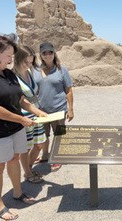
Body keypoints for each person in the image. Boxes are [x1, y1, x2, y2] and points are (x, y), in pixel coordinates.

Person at [0, 35, 47, 221]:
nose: (11, 59)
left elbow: (20, 98)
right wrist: (21, 119)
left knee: (15, 158)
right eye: (8, 55)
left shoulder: (8, 73)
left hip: (15, 127)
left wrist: (35, 110)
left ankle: (18, 193)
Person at [33, 42, 74, 172]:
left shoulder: (62, 69)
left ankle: (57, 158)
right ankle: (45, 155)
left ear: (54, 53)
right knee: (43, 136)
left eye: (50, 52)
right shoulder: (35, 71)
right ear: (41, 55)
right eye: (44, 53)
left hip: (58, 109)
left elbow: (69, 90)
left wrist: (71, 109)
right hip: (41, 111)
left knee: (59, 135)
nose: (48, 55)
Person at [12, 45, 46, 183]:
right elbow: (20, 100)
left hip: (36, 113)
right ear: (18, 59)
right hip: (25, 116)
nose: (29, 64)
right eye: (26, 62)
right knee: (25, 148)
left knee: (39, 143)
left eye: (31, 62)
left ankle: (29, 167)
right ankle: (27, 173)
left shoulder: (29, 72)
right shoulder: (13, 77)